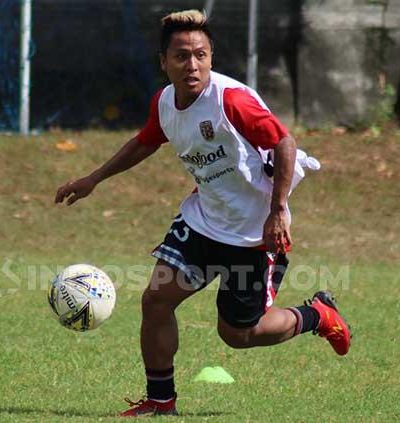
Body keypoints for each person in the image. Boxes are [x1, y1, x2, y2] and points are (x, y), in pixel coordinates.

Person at [55, 9, 351, 417]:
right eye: (181, 56)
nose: (192, 65)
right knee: (156, 301)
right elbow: (145, 142)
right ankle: (161, 401)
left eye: (201, 55)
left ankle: (317, 315)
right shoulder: (165, 102)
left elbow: (284, 143)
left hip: (253, 234)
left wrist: (278, 209)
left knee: (239, 334)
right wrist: (94, 178)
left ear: (211, 57)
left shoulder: (231, 101)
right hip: (203, 221)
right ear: (164, 62)